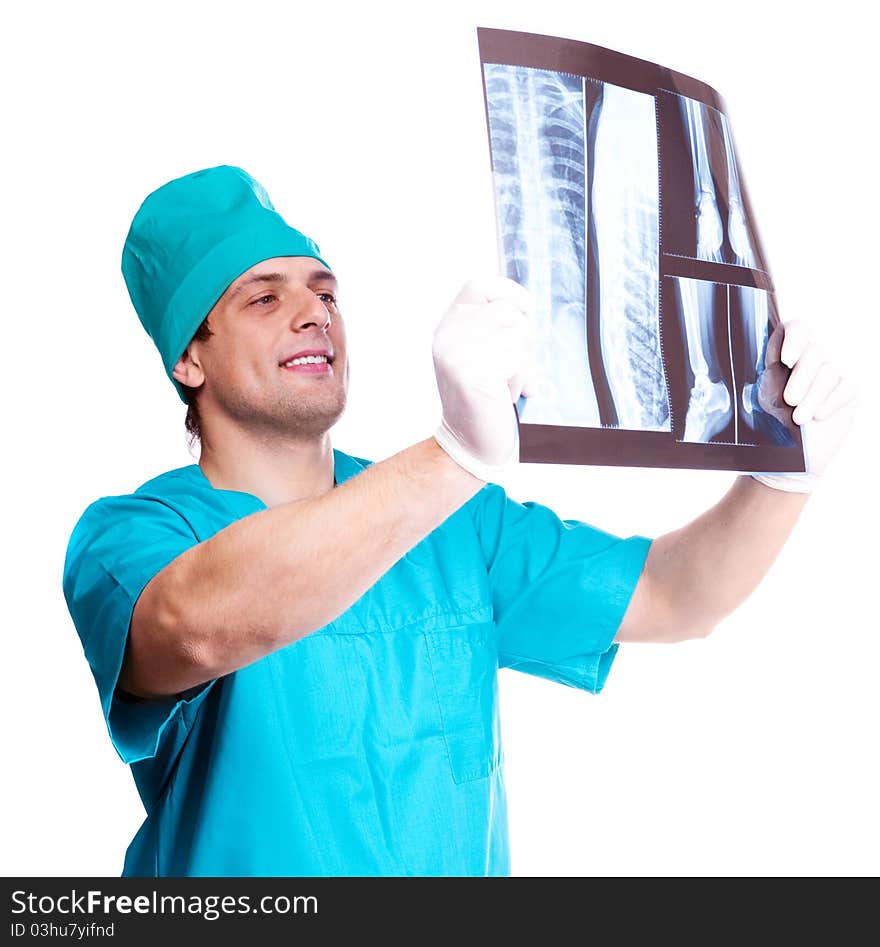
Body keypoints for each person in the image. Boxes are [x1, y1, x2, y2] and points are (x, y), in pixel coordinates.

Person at [62, 165, 856, 877]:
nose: (315, 314)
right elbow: (198, 624)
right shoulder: (134, 537)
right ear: (187, 358)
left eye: (326, 291)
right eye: (264, 297)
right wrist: (451, 456)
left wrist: (783, 470)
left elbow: (677, 595)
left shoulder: (455, 525)